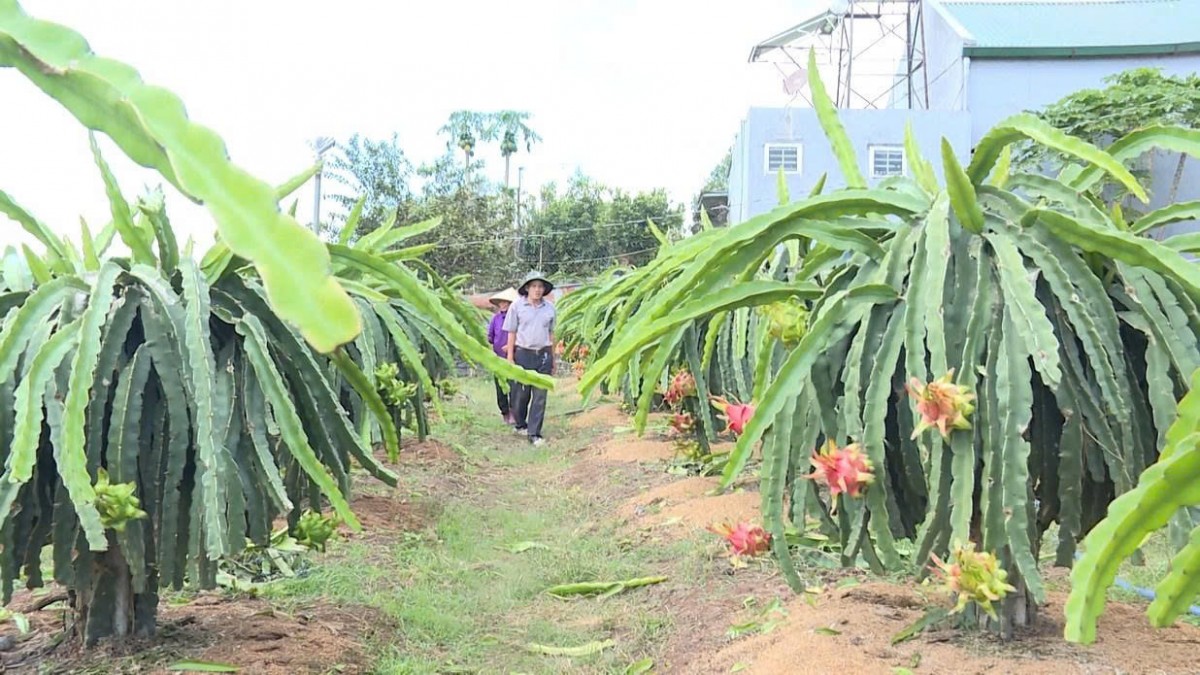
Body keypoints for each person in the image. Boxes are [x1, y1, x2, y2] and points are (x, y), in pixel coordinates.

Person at [504, 271, 556, 446]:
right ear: (527, 288)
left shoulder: (550, 308)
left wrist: (553, 359)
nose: (537, 290)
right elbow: (511, 332)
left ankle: (534, 433)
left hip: (543, 354)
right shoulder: (516, 306)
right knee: (520, 394)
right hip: (523, 354)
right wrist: (510, 357)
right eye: (534, 286)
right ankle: (520, 423)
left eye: (540, 286)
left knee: (540, 395)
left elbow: (552, 334)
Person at [487, 288, 520, 424]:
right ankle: (505, 412)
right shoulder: (495, 319)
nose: (503, 305)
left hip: (515, 357)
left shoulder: (517, 318)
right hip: (498, 357)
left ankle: (514, 412)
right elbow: (490, 337)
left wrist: (512, 345)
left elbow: (522, 335)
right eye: (501, 302)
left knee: (514, 386)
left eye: (506, 302)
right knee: (500, 386)